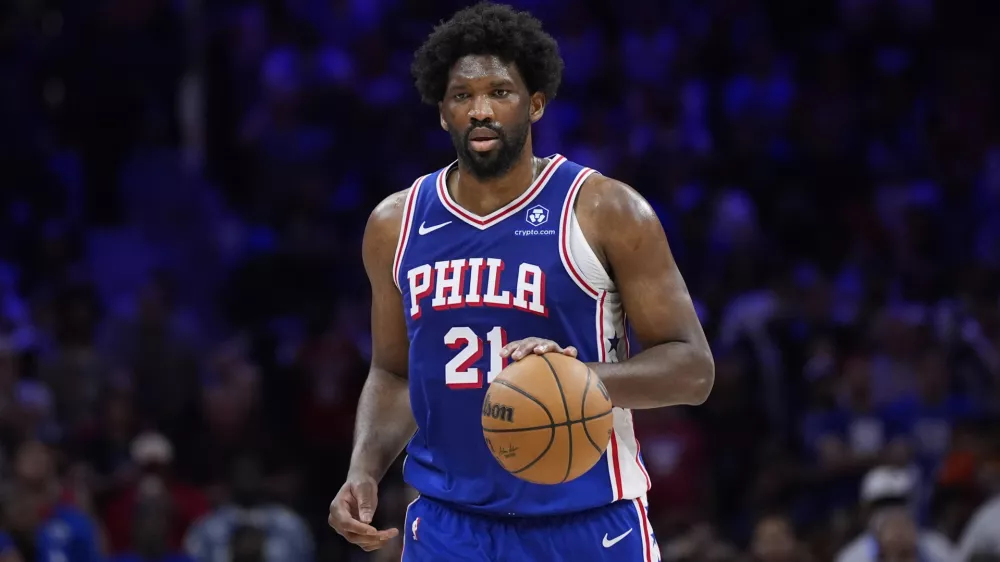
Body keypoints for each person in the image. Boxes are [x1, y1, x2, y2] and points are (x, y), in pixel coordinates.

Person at [327, 2, 715, 560]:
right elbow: (393, 373)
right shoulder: (396, 224)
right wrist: (363, 469)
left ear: (534, 104)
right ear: (443, 112)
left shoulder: (605, 210)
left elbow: (693, 371)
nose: (480, 109)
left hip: (587, 524)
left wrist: (577, 378)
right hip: (448, 527)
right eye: (462, 95)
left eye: (500, 92)